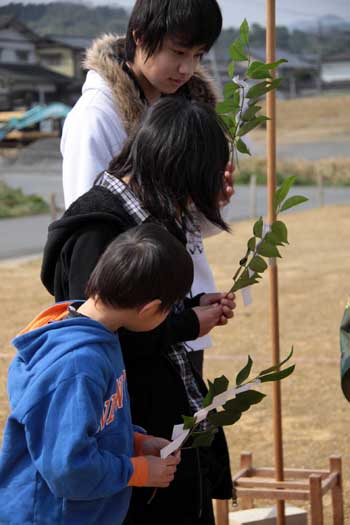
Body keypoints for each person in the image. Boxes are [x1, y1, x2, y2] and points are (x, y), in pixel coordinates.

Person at [41, 97, 234, 525]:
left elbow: (135, 307)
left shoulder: (145, 212)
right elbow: (103, 330)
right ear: (173, 170)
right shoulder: (97, 230)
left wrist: (189, 306)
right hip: (131, 446)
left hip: (145, 436)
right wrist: (184, 322)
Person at [61, 0, 235, 374]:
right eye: (178, 52)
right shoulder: (96, 118)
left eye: (198, 55)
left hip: (175, 308)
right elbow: (91, 240)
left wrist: (209, 202)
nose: (187, 68)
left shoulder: (181, 108)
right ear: (140, 36)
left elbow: (183, 227)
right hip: (135, 326)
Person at [0, 224, 192, 525]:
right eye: (171, 307)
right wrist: (137, 471)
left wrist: (135, 442)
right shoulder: (78, 364)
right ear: (150, 308)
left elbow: (87, 427)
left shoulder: (96, 333)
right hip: (51, 516)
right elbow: (67, 468)